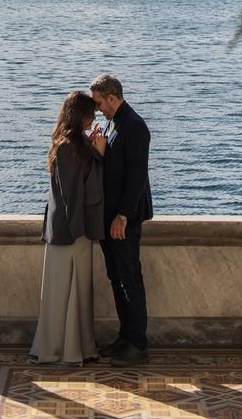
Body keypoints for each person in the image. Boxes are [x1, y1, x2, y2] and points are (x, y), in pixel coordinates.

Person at [30, 89, 106, 365]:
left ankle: (77, 347)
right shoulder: (67, 147)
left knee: (75, 292)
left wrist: (96, 151)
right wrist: (78, 233)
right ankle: (63, 349)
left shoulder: (75, 144)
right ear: (79, 115)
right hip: (71, 232)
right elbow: (71, 195)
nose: (93, 119)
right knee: (66, 292)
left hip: (75, 230)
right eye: (90, 114)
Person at [89, 72, 153, 366]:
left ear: (112, 98)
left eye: (99, 103)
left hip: (124, 219)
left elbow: (136, 178)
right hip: (110, 216)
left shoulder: (135, 126)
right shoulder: (113, 123)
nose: (97, 109)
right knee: (117, 278)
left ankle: (138, 344)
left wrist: (122, 216)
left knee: (130, 280)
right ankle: (125, 336)